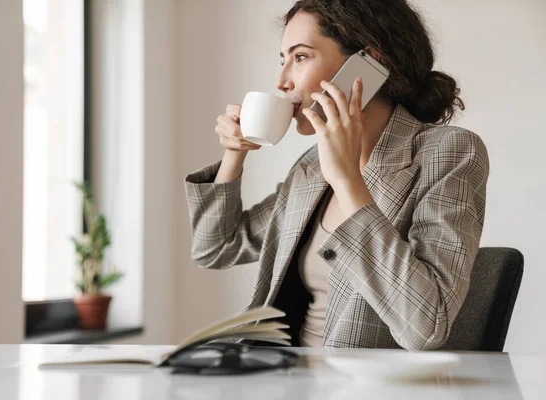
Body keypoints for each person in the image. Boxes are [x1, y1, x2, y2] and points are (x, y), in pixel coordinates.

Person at [184, 0, 489, 350]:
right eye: (282, 61)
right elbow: (216, 248)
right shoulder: (312, 168)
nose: (281, 82)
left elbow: (427, 326)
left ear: (368, 64)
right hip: (283, 377)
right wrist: (234, 155)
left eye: (300, 57)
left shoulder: (448, 153)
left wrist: (347, 182)